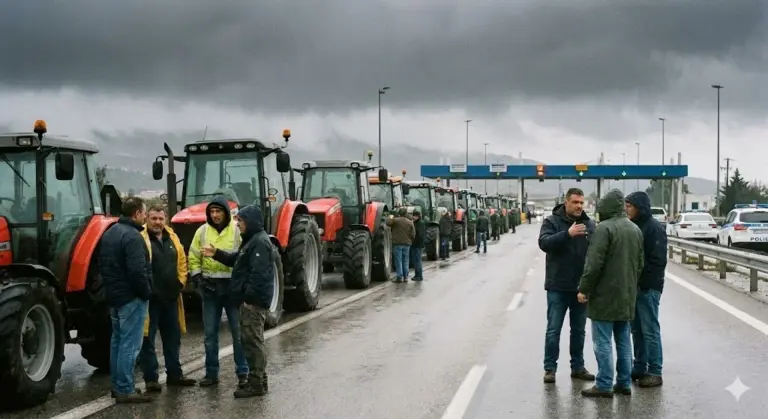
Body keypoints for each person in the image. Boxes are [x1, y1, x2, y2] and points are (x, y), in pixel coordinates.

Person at [577, 189, 644, 398]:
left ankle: (604, 383)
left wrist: (584, 288)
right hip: (627, 294)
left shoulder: (604, 229)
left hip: (604, 295)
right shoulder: (635, 230)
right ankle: (623, 382)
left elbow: (593, 264)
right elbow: (640, 264)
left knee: (602, 341)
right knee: (624, 339)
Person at [202, 205, 274, 398]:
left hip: (253, 303)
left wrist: (248, 299)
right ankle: (257, 379)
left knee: (252, 342)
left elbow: (258, 276)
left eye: (240, 221)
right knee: (250, 340)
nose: (237, 224)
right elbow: (238, 261)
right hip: (248, 301)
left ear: (250, 222)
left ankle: (257, 382)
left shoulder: (259, 243)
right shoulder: (251, 241)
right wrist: (217, 253)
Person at [188, 196, 249, 388]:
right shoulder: (202, 231)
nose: (215, 215)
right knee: (210, 334)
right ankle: (211, 373)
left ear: (225, 212)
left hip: (232, 288)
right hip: (210, 288)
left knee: (238, 333)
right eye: (212, 212)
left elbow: (242, 258)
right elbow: (193, 256)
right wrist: (197, 279)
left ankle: (243, 372)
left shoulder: (236, 230)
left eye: (218, 211)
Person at [538, 188, 596, 384]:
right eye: (575, 202)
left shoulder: (589, 224)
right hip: (557, 286)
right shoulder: (551, 222)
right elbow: (544, 243)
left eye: (582, 202)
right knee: (554, 329)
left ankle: (578, 367)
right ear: (566, 202)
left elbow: (595, 254)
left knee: (579, 330)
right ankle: (550, 368)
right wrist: (567, 234)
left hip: (580, 288)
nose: (579, 206)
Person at [98, 197, 153, 403]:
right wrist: (146, 292)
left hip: (114, 296)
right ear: (137, 213)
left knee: (118, 343)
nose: (145, 217)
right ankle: (125, 388)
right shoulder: (133, 237)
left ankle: (118, 384)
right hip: (131, 297)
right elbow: (137, 271)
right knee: (130, 345)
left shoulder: (110, 233)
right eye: (144, 213)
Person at [138, 206, 197, 392]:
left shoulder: (172, 237)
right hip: (151, 299)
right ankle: (151, 378)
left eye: (160, 218)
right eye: (153, 218)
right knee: (148, 339)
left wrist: (181, 282)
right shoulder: (141, 239)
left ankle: (175, 374)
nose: (157, 222)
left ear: (166, 219)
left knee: (173, 338)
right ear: (147, 218)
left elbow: (182, 261)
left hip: (171, 298)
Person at [625, 191, 667, 388]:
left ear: (639, 207)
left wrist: (641, 281)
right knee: (637, 330)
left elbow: (657, 261)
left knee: (649, 330)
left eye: (630, 205)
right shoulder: (635, 226)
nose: (626, 209)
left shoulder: (653, 228)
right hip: (635, 286)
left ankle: (655, 371)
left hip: (648, 287)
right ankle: (639, 366)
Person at [386, 207, 415, 282]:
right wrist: (410, 240)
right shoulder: (410, 222)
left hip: (397, 243)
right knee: (405, 260)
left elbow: (388, 222)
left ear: (399, 213)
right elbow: (413, 234)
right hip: (407, 244)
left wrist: (391, 216)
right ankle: (406, 277)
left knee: (398, 261)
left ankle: (399, 277)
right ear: (406, 213)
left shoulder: (396, 220)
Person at [410, 210, 425, 281]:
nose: (413, 217)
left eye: (414, 216)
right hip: (414, 245)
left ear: (417, 216)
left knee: (418, 261)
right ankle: (416, 275)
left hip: (418, 245)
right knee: (415, 261)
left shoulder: (420, 223)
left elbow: (420, 234)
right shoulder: (415, 222)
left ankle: (419, 276)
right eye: (413, 215)